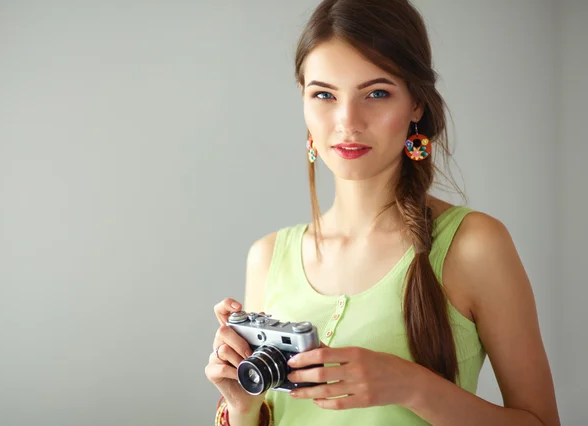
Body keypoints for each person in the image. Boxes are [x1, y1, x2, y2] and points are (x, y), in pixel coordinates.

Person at [204, 0, 561, 424]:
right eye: (324, 94)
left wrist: (410, 385)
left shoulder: (474, 245)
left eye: (376, 93)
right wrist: (242, 405)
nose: (347, 121)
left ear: (416, 104)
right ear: (303, 100)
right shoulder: (267, 257)